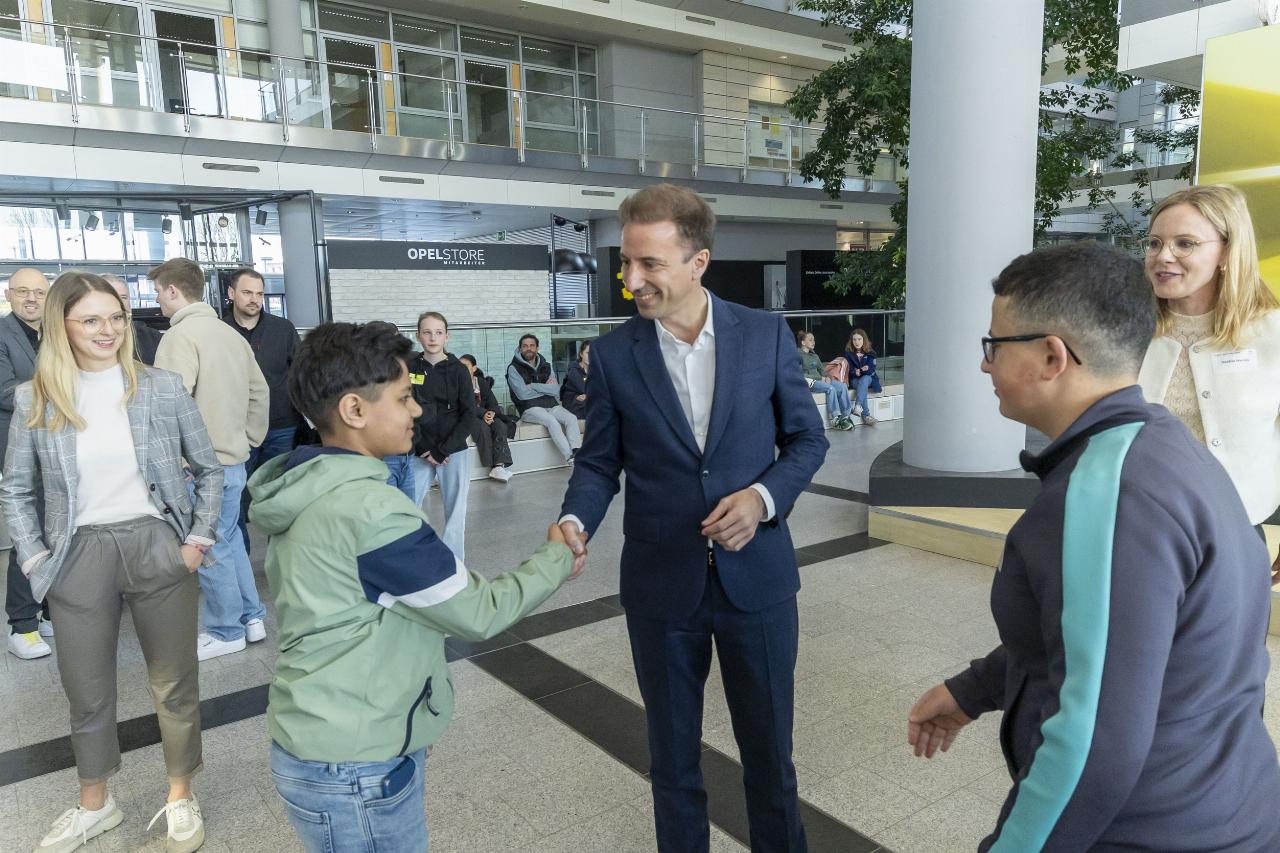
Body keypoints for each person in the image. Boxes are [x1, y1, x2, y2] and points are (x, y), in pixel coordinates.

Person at [908, 242, 1280, 852]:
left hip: (1152, 832)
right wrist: (976, 689)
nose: (984, 364)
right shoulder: (1164, 446)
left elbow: (1092, 744)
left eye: (994, 345)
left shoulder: (1105, 495)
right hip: (1231, 806)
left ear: (1052, 356)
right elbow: (1121, 639)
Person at [558, 184, 828, 852]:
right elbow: (599, 463)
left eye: (649, 263)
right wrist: (575, 519)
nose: (631, 279)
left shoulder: (763, 335)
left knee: (770, 758)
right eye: (627, 262)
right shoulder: (614, 355)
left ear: (698, 261)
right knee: (673, 764)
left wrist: (761, 499)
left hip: (757, 582)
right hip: (661, 586)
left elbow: (806, 440)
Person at [247, 321, 580, 853]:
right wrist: (557, 557)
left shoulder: (308, 487)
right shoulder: (372, 512)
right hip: (355, 765)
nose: (417, 411)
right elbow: (478, 611)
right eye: (404, 398)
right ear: (355, 410)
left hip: (324, 737)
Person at [0, 271, 223, 853]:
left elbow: (209, 468)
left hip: (157, 543)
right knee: (87, 692)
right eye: (91, 320)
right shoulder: (36, 396)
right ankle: (95, 804)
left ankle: (181, 795)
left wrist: (197, 541)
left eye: (116, 317)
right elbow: (16, 488)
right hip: (77, 553)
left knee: (174, 684)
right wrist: (35, 558)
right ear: (61, 326)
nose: (109, 330)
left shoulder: (160, 387)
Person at [1136, 184, 1280, 578]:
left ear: (1227, 253)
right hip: (1135, 530)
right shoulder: (1127, 330)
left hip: (1234, 536)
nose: (1163, 256)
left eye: (1185, 243)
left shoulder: (1272, 332)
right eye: (1154, 243)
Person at [151, 257, 270, 661]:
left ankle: (225, 630)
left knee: (207, 546)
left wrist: (178, 460)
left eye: (159, 292)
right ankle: (252, 617)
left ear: (173, 290)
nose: (158, 300)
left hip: (199, 468)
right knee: (229, 538)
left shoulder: (178, 337)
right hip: (234, 459)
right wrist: (248, 439)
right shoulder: (230, 335)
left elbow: (170, 405)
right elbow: (260, 392)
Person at [223, 267, 302, 553]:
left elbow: (301, 371)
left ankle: (279, 557)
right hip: (236, 429)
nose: (254, 299)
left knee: (279, 496)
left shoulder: (283, 329)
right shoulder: (219, 331)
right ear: (231, 294)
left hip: (281, 425)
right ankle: (240, 558)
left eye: (259, 293)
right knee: (235, 497)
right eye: (247, 292)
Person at [1, 268, 53, 660]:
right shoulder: (2, 334)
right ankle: (22, 624)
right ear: (9, 294)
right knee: (29, 529)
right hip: (19, 447)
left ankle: (50, 609)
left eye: (39, 292)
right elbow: (5, 391)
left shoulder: (55, 333)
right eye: (23, 291)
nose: (31, 298)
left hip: (57, 444)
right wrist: (58, 391)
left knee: (58, 527)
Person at [407, 312, 475, 562]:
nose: (433, 338)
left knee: (456, 512)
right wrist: (424, 447)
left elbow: (469, 415)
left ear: (447, 336)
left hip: (452, 451)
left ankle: (453, 565)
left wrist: (442, 450)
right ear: (418, 336)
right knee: (407, 507)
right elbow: (404, 408)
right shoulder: (410, 368)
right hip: (419, 450)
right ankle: (410, 560)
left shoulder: (459, 371)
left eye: (438, 332)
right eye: (427, 332)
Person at [506, 334, 581, 464]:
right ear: (520, 348)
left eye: (532, 345)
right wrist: (546, 388)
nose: (529, 348)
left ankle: (577, 452)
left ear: (537, 348)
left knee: (571, 418)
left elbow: (556, 389)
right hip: (530, 408)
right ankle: (570, 456)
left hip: (551, 405)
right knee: (552, 421)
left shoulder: (546, 365)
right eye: (525, 346)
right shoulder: (513, 368)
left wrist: (534, 386)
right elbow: (523, 394)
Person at [459, 354, 516, 483]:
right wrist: (483, 413)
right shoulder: (456, 383)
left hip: (484, 414)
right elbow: (463, 405)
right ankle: (491, 465)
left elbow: (492, 401)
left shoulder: (481, 382)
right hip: (466, 416)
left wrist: (491, 413)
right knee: (482, 428)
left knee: (500, 425)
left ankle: (499, 465)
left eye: (465, 366)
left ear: (474, 368)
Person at [797, 330, 854, 430]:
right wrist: (820, 378)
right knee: (830, 389)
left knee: (842, 387)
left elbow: (822, 371)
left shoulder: (814, 355)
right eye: (810, 340)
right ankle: (835, 418)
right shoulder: (797, 355)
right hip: (809, 382)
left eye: (814, 340)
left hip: (820, 380)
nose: (813, 342)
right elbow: (799, 374)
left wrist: (828, 377)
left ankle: (845, 416)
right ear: (803, 342)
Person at [103, 274, 163, 365]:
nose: (119, 302)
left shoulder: (152, 337)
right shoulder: (87, 338)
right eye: (111, 297)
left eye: (123, 297)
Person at [843, 328, 880, 426]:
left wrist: (865, 369)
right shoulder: (848, 353)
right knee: (862, 387)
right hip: (855, 379)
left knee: (864, 380)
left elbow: (871, 369)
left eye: (859, 339)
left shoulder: (871, 352)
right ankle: (866, 415)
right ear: (851, 341)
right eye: (854, 339)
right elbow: (848, 370)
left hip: (869, 378)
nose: (857, 342)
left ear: (864, 340)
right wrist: (855, 372)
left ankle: (858, 406)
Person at [560, 340, 590, 418]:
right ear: (581, 354)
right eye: (588, 353)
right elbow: (584, 388)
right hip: (573, 403)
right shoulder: (574, 370)